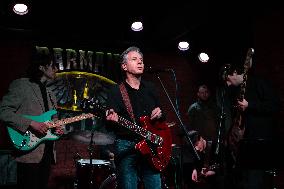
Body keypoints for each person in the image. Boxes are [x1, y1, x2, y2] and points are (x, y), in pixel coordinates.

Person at [0, 47, 63, 189]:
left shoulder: (51, 94)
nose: (56, 69)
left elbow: (54, 121)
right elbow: (3, 111)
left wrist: (59, 128)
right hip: (28, 151)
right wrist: (31, 123)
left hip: (47, 153)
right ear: (41, 67)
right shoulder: (21, 85)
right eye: (53, 65)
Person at [105, 46, 165, 189]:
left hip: (151, 146)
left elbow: (163, 119)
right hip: (126, 145)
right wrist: (111, 119)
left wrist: (160, 113)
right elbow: (108, 124)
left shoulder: (151, 88)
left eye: (141, 60)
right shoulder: (116, 91)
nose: (140, 62)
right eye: (134, 59)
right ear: (124, 66)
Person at [219, 63, 281, 189]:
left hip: (260, 142)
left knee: (256, 181)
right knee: (245, 181)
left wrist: (250, 105)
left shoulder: (258, 82)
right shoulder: (237, 91)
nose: (228, 84)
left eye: (228, 80)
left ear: (235, 73)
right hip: (245, 144)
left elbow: (275, 105)